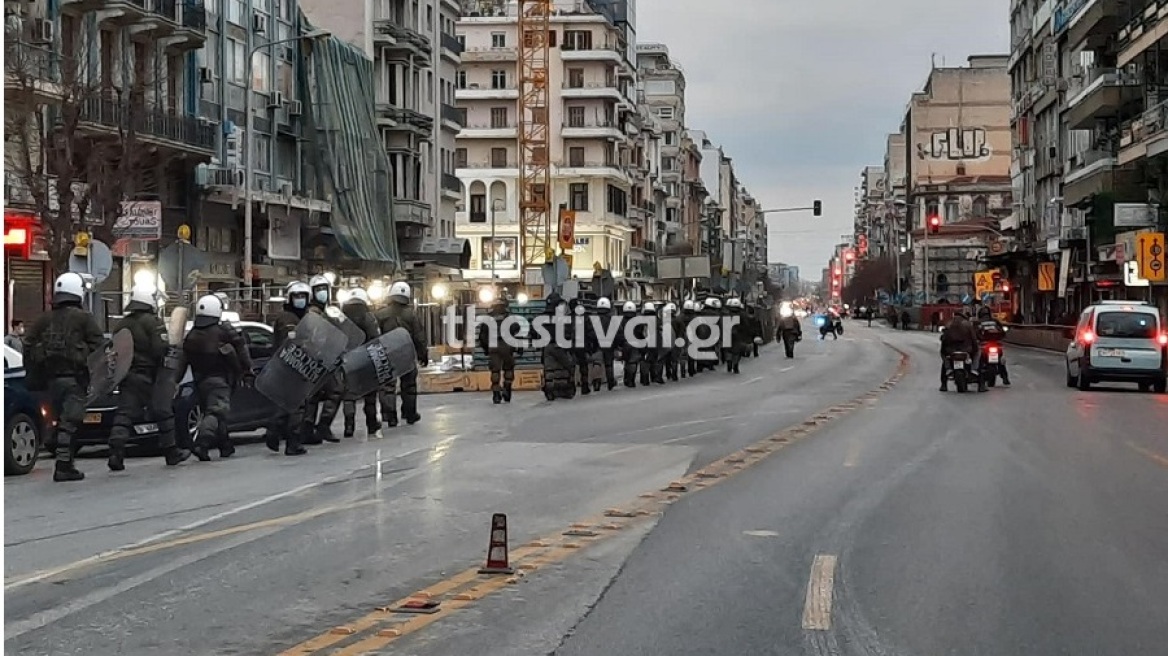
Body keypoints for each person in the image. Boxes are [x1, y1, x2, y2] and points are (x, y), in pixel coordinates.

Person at [22, 273, 105, 481]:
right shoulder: (84, 318)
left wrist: (34, 376)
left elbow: (28, 345)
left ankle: (64, 462)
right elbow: (99, 346)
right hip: (74, 379)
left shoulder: (43, 318)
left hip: (50, 382)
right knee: (70, 422)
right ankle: (64, 466)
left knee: (58, 421)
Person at [106, 285, 191, 470]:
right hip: (150, 376)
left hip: (128, 376)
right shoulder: (153, 322)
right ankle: (171, 452)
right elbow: (159, 349)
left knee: (124, 415)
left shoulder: (122, 324)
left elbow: (115, 351)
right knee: (164, 412)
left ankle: (116, 453)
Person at [177, 294, 252, 461]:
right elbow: (241, 349)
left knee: (214, 412)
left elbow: (182, 361)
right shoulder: (222, 332)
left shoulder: (192, 335)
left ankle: (225, 445)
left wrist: (175, 380)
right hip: (219, 379)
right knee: (217, 412)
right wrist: (246, 371)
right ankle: (202, 444)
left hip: (200, 380)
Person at [266, 281, 310, 456]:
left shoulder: (303, 317)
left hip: (295, 366)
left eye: (303, 296)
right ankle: (293, 443)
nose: (300, 299)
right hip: (291, 366)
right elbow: (290, 342)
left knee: (287, 404)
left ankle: (273, 432)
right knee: (297, 406)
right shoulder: (288, 319)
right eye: (297, 296)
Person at [375, 282, 427, 425]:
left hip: (386, 353)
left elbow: (374, 336)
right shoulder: (411, 315)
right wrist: (423, 354)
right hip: (406, 353)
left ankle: (390, 416)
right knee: (409, 386)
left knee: (387, 386)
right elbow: (419, 336)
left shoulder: (380, 314)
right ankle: (410, 414)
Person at [301, 274, 343, 444]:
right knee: (331, 391)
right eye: (318, 289)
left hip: (326, 357)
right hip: (318, 358)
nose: (322, 292)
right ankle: (315, 427)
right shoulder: (313, 312)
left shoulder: (329, 311)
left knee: (320, 393)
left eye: (324, 289)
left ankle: (313, 428)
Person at [341, 289, 382, 435]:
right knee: (370, 394)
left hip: (347, 359)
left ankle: (349, 426)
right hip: (366, 358)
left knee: (349, 395)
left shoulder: (341, 317)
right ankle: (371, 423)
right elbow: (375, 337)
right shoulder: (368, 316)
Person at [478, 296, 521, 404]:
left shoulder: (488, 318)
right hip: (507, 344)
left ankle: (496, 394)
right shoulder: (509, 317)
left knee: (495, 371)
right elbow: (517, 331)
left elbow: (482, 336)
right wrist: (519, 347)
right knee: (508, 369)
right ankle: (507, 388)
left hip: (493, 345)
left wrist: (486, 349)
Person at [540, 293, 576, 400]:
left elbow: (534, 333)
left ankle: (550, 390)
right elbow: (568, 332)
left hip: (546, 347)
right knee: (566, 366)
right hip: (560, 345)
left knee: (549, 369)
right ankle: (565, 388)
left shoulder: (541, 317)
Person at [940, 309, 983, 392]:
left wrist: (944, 350)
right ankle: (978, 377)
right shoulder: (968, 324)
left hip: (951, 350)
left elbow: (944, 339)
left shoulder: (949, 324)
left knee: (944, 357)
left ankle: (944, 383)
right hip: (967, 350)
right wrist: (975, 348)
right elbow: (973, 338)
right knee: (978, 354)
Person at [975, 305, 1011, 386]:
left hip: (985, 344)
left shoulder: (978, 322)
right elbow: (1002, 331)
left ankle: (979, 377)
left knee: (979, 360)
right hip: (995, 343)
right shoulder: (995, 321)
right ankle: (1005, 377)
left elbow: (974, 333)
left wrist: (977, 339)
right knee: (1000, 361)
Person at [593, 297, 619, 390]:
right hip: (609, 345)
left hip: (597, 345)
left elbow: (589, 332)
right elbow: (618, 333)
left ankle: (596, 382)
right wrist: (617, 345)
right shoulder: (612, 319)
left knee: (597, 363)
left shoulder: (593, 319)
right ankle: (610, 382)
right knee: (609, 364)